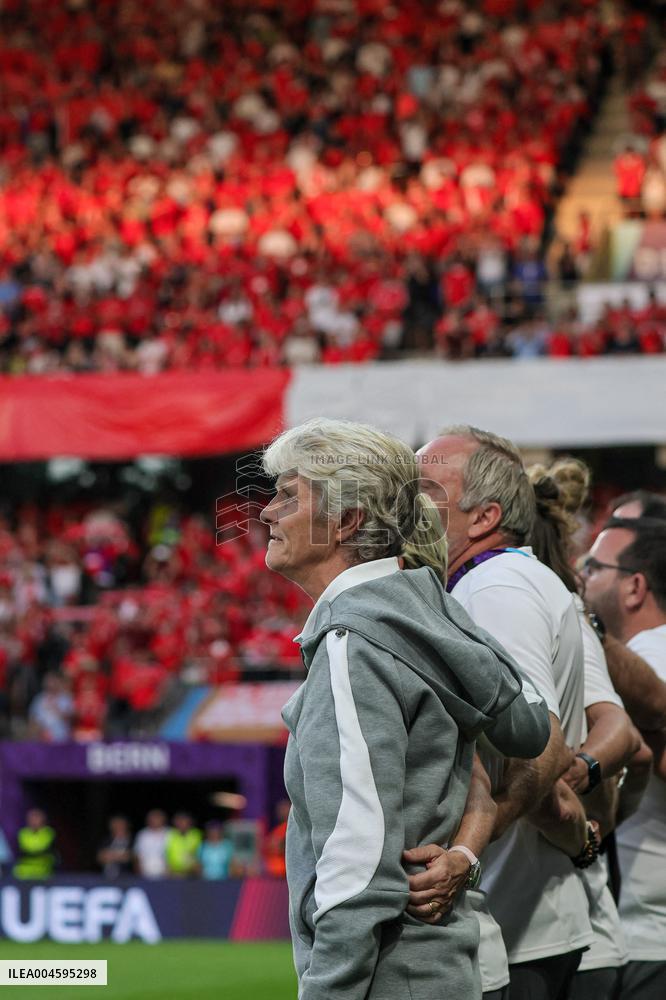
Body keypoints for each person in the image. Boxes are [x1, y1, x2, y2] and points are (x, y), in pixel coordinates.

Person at [260, 417, 551, 1000]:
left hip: (386, 979)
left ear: (347, 521)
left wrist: (329, 991)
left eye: (288, 495)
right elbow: (529, 724)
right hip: (445, 968)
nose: (267, 512)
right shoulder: (426, 607)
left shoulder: (353, 642)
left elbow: (356, 854)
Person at [413, 426, 592, 1000]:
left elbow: (543, 743)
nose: (405, 502)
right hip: (529, 925)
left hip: (518, 934)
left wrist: (465, 851)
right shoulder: (500, 580)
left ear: (483, 517)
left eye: (424, 489)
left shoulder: (493, 587)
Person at [527, 459, 642, 1000]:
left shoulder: (556, 610)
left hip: (560, 927)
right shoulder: (555, 607)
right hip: (551, 920)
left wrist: (579, 774)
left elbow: (625, 737)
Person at [582, 519, 666, 1000]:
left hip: (645, 937)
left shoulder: (646, 652)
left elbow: (654, 710)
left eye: (594, 568)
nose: (581, 577)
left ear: (635, 586)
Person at [13, 808, 56, 880]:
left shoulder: (48, 832)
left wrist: (32, 852)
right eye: (31, 818)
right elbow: (26, 848)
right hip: (24, 873)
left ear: (43, 819)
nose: (34, 821)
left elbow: (41, 848)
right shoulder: (23, 833)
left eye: (36, 818)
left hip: (43, 872)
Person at [133, 809, 169, 879]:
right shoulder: (142, 834)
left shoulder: (170, 833)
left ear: (163, 820)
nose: (155, 821)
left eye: (157, 818)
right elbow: (137, 854)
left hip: (165, 874)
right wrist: (138, 871)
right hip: (145, 874)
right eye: (152, 818)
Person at [165, 812, 202, 878]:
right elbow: (166, 854)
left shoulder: (196, 834)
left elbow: (199, 854)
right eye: (179, 821)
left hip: (191, 874)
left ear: (190, 822)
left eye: (185, 821)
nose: (182, 823)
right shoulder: (169, 834)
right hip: (174, 874)